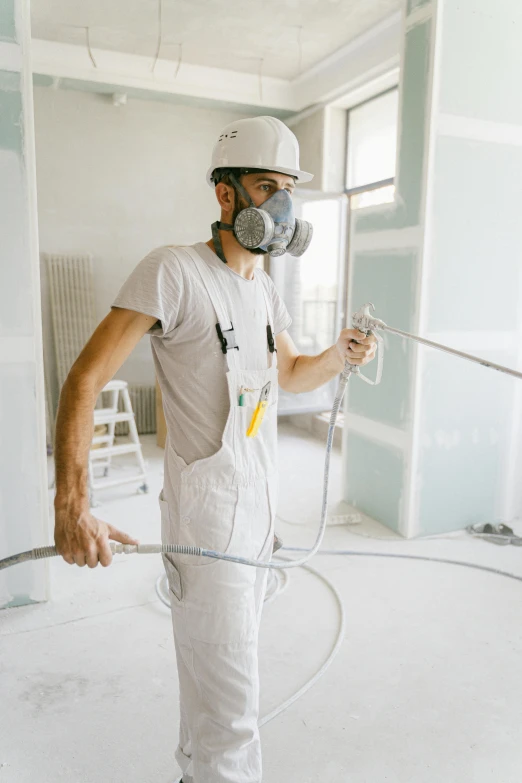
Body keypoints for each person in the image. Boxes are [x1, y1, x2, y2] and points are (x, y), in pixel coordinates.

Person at [53, 115, 377, 783]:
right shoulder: (174, 271)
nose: (281, 207)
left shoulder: (262, 288)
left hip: (257, 510)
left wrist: (339, 356)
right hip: (207, 519)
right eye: (266, 187)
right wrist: (72, 504)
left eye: (288, 189)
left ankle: (192, 773)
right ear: (226, 196)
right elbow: (84, 379)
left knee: (217, 673)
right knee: (233, 705)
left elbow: (288, 372)